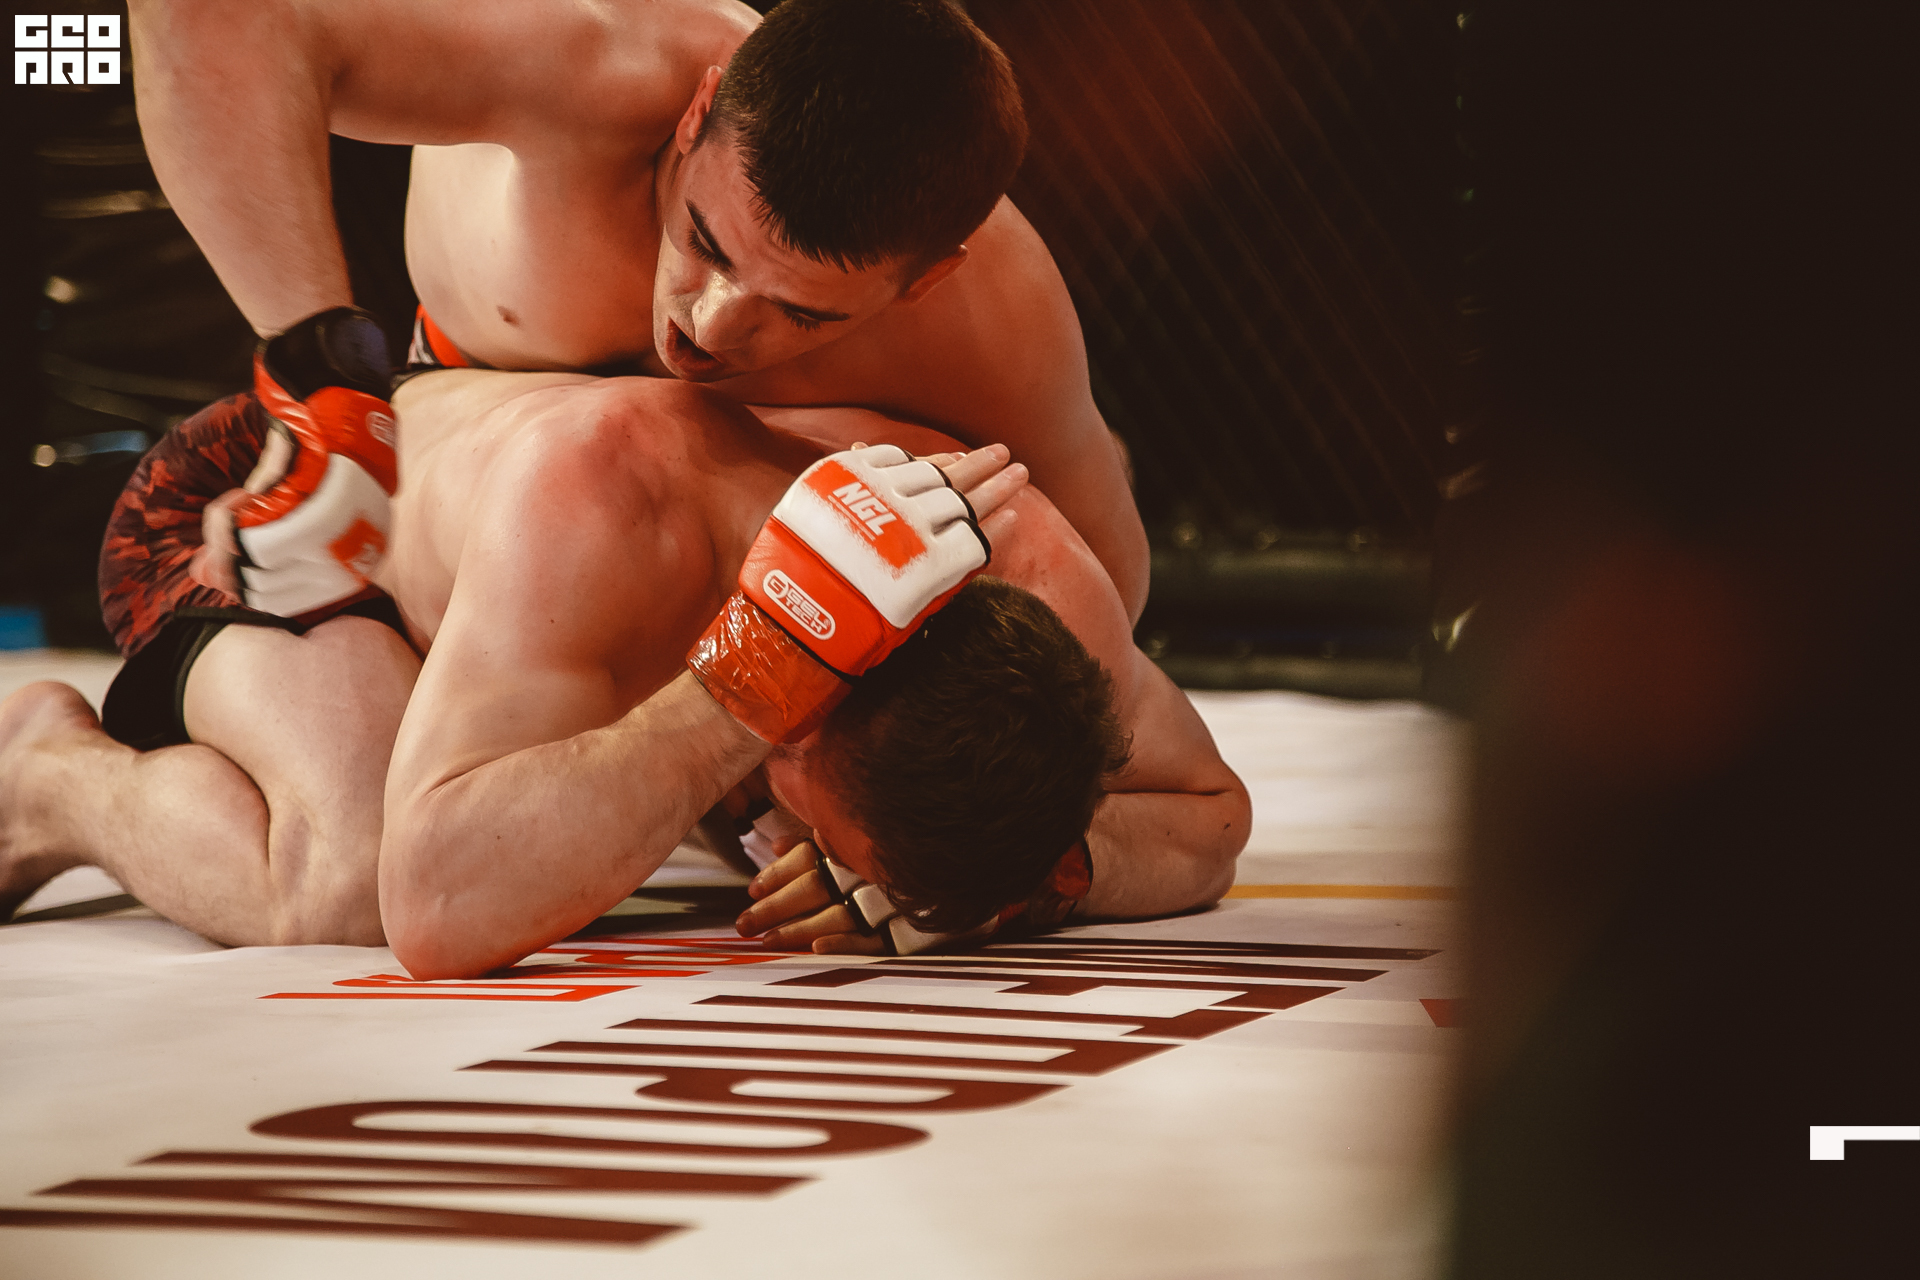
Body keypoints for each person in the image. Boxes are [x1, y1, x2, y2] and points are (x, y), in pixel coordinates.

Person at [0, 370, 1247, 976]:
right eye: (808, 807)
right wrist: (738, 686)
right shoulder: (609, 495)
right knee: (343, 882)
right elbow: (431, 902)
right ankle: (47, 776)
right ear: (798, 720)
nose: (797, 842)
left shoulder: (1033, 574)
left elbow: (1208, 816)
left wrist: (1029, 881)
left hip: (519, 633)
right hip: (283, 519)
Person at [126, 0, 1148, 623]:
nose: (710, 324)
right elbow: (209, 16)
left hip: (664, 603)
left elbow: (1101, 586)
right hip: (397, 468)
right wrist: (322, 375)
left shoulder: (993, 309)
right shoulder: (596, 63)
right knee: (631, 434)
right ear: (696, 114)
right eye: (705, 240)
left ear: (920, 283)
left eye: (801, 314)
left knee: (964, 498)